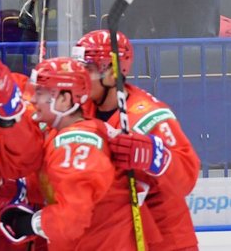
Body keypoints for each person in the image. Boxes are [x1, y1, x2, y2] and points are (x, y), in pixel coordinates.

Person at [0, 56, 161, 249]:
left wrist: (31, 224)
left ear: (64, 99)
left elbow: (72, 218)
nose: (33, 99)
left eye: (41, 93)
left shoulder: (75, 142)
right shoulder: (68, 132)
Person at [70, 31, 200, 250]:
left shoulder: (151, 117)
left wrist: (155, 157)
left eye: (88, 69)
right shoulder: (82, 109)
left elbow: (187, 176)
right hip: (117, 238)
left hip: (166, 240)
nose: (79, 76)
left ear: (112, 73)